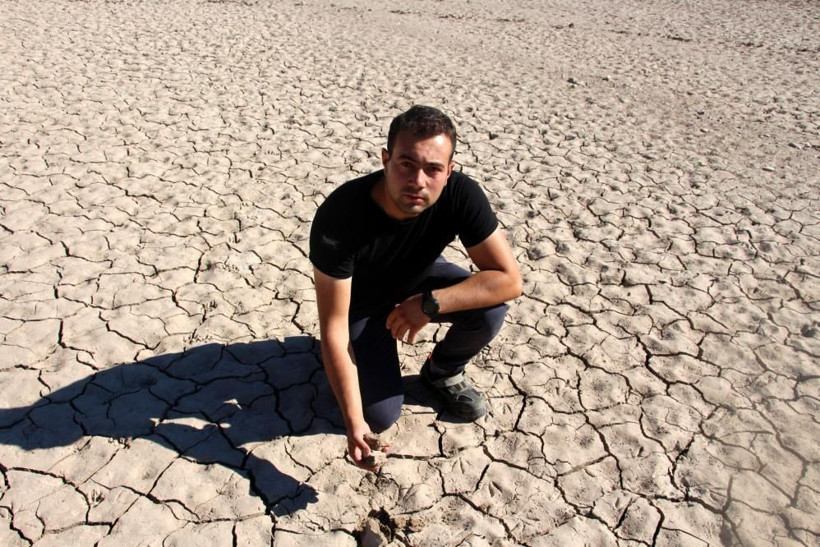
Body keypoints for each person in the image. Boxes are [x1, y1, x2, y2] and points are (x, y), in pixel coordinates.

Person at [309, 105, 522, 469]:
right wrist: (353, 421)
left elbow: (510, 280)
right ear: (386, 159)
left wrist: (428, 304)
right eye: (406, 164)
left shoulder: (461, 194)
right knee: (380, 415)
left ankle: (441, 371)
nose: (418, 180)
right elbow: (333, 324)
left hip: (418, 281)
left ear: (449, 171)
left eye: (433, 168)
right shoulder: (341, 216)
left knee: (491, 308)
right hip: (360, 306)